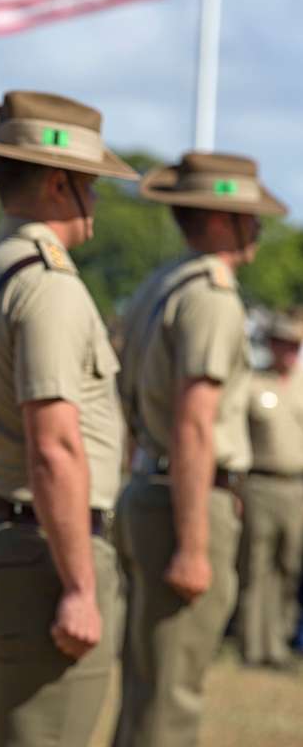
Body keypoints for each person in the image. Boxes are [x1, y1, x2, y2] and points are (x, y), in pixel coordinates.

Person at [0, 90, 139, 747]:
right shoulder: (49, 285)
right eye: (91, 184)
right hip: (42, 555)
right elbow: (53, 447)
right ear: (59, 183)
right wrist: (80, 585)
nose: (97, 201)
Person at [113, 151, 287, 747]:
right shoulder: (212, 296)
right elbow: (194, 425)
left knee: (146, 687)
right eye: (248, 215)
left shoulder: (160, 286)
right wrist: (193, 543)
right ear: (218, 219)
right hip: (183, 500)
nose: (259, 228)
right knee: (171, 700)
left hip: (150, 490)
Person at [237, 312, 303, 668]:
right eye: (284, 344)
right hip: (260, 484)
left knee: (288, 566)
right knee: (255, 567)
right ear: (272, 345)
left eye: (296, 345)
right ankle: (252, 643)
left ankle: (278, 642)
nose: (290, 352)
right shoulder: (253, 384)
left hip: (296, 487)